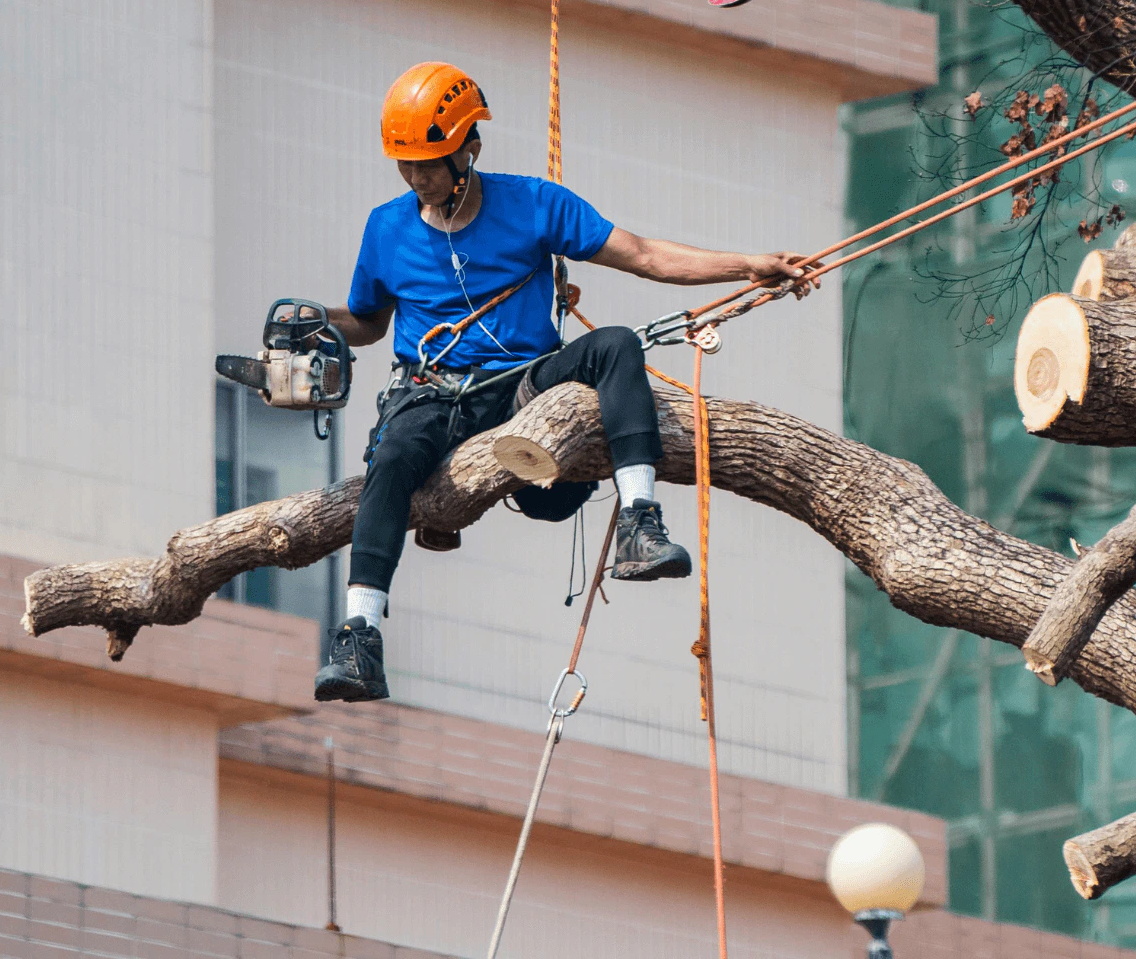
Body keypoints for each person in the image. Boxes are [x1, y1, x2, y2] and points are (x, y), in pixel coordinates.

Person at [313, 61, 818, 702]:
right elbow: (367, 322)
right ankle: (360, 637)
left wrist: (747, 266)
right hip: (434, 393)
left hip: (525, 385)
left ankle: (640, 522)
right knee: (390, 460)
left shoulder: (531, 205)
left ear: (469, 148)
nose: (417, 178)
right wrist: (315, 319)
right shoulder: (387, 228)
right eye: (404, 165)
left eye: (429, 163)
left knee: (615, 345)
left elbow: (643, 255)